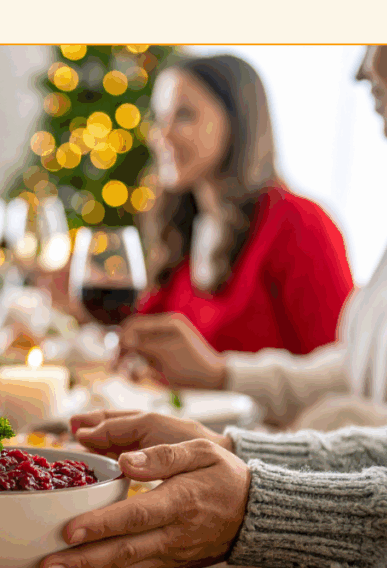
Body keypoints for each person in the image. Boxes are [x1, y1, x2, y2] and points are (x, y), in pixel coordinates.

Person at [38, 46, 387, 568]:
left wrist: (266, 473)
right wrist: (224, 400)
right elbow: (355, 364)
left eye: (184, 114)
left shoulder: (298, 224)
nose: (359, 68)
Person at [133, 55, 353, 357]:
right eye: (159, 119)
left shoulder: (300, 224)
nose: (161, 135)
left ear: (237, 121)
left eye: (183, 115)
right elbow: (142, 338)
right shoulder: (184, 225)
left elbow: (337, 369)